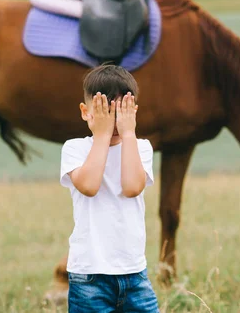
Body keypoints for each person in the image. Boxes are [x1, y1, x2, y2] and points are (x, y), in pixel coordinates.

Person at [59, 64, 159, 312]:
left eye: (119, 112)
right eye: (104, 111)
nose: (112, 121)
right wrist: (102, 136)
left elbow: (132, 186)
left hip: (134, 274)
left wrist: (128, 135)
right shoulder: (74, 149)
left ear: (132, 112)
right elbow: (89, 186)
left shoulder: (140, 147)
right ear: (85, 112)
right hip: (89, 277)